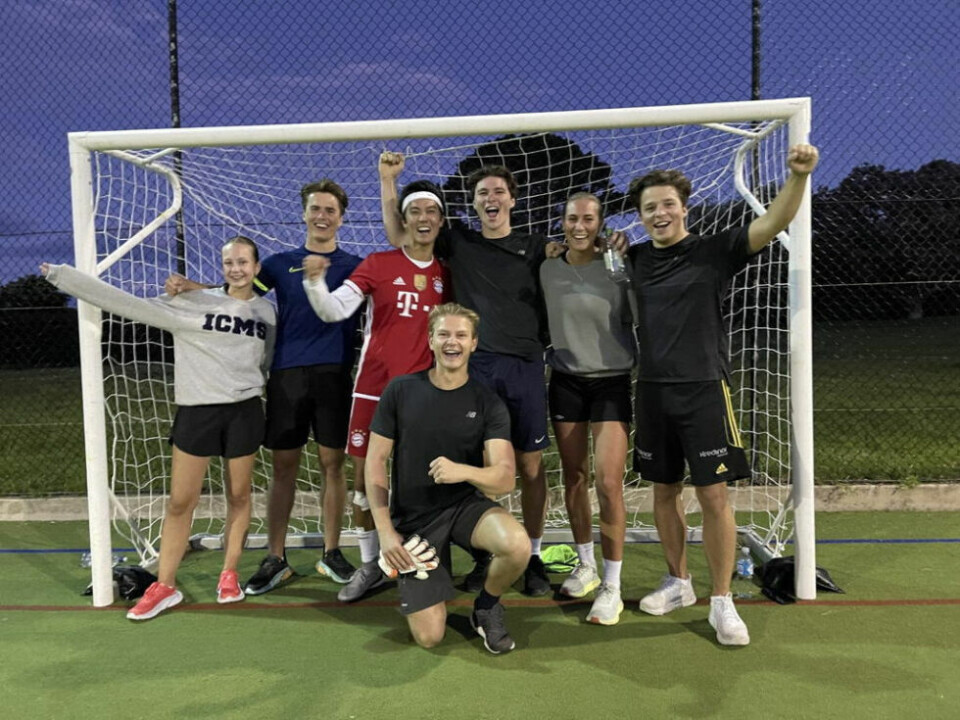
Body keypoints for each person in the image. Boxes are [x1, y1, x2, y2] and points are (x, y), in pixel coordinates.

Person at [626, 143, 820, 646]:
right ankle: (679, 582)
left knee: (714, 496)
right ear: (642, 217)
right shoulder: (635, 259)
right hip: (651, 391)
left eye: (667, 204)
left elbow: (773, 222)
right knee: (663, 492)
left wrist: (797, 177)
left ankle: (721, 601)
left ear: (683, 207)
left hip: (704, 390)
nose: (659, 213)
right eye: (649, 208)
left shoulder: (714, 250)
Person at [42, 236, 276, 620]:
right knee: (180, 501)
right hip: (197, 412)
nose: (236, 269)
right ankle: (165, 585)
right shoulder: (190, 302)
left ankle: (229, 574)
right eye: (229, 262)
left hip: (245, 412)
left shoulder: (267, 313)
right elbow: (126, 303)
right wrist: (64, 277)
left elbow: (264, 360)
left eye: (243, 262)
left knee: (239, 495)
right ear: (222, 267)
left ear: (256, 267)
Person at [166, 179, 362, 593]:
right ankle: (276, 557)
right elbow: (235, 294)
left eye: (330, 210)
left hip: (334, 375)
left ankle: (331, 552)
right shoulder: (277, 263)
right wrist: (194, 290)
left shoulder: (353, 265)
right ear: (304, 214)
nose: (322, 216)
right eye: (315, 209)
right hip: (287, 375)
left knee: (333, 464)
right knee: (284, 466)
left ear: (341, 217)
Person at [379, 152, 555, 597]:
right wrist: (388, 182)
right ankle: (482, 553)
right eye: (482, 194)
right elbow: (399, 233)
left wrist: (609, 243)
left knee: (530, 467)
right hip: (475, 367)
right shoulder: (458, 241)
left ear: (512, 199)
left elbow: (574, 253)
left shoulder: (535, 246)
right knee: (476, 467)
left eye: (498, 191)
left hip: (524, 366)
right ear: (474, 205)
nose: (490, 198)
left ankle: (531, 553)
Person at [301, 180, 450, 603]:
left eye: (431, 212)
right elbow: (334, 310)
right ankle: (371, 564)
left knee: (424, 483)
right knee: (366, 483)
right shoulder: (378, 263)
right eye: (415, 212)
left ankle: (423, 560)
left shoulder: (448, 273)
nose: (424, 219)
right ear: (403, 220)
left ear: (440, 221)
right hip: (373, 392)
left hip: (426, 395)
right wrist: (315, 283)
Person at [367, 303, 530, 654]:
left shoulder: (488, 402)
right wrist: (386, 533)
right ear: (430, 340)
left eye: (460, 335)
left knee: (517, 544)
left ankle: (486, 605)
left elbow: (504, 480)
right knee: (429, 637)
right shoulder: (400, 391)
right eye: (443, 334)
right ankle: (428, 571)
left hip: (463, 509)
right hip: (413, 521)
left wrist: (463, 472)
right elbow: (375, 462)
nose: (451, 342)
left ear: (473, 343)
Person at [539, 193, 634, 625]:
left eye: (589, 219)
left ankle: (613, 585)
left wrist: (625, 248)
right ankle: (587, 565)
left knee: (608, 481)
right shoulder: (547, 267)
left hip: (612, 381)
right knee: (574, 477)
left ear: (600, 223)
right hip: (566, 381)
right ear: (562, 223)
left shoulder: (618, 266)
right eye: (572, 218)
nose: (580, 226)